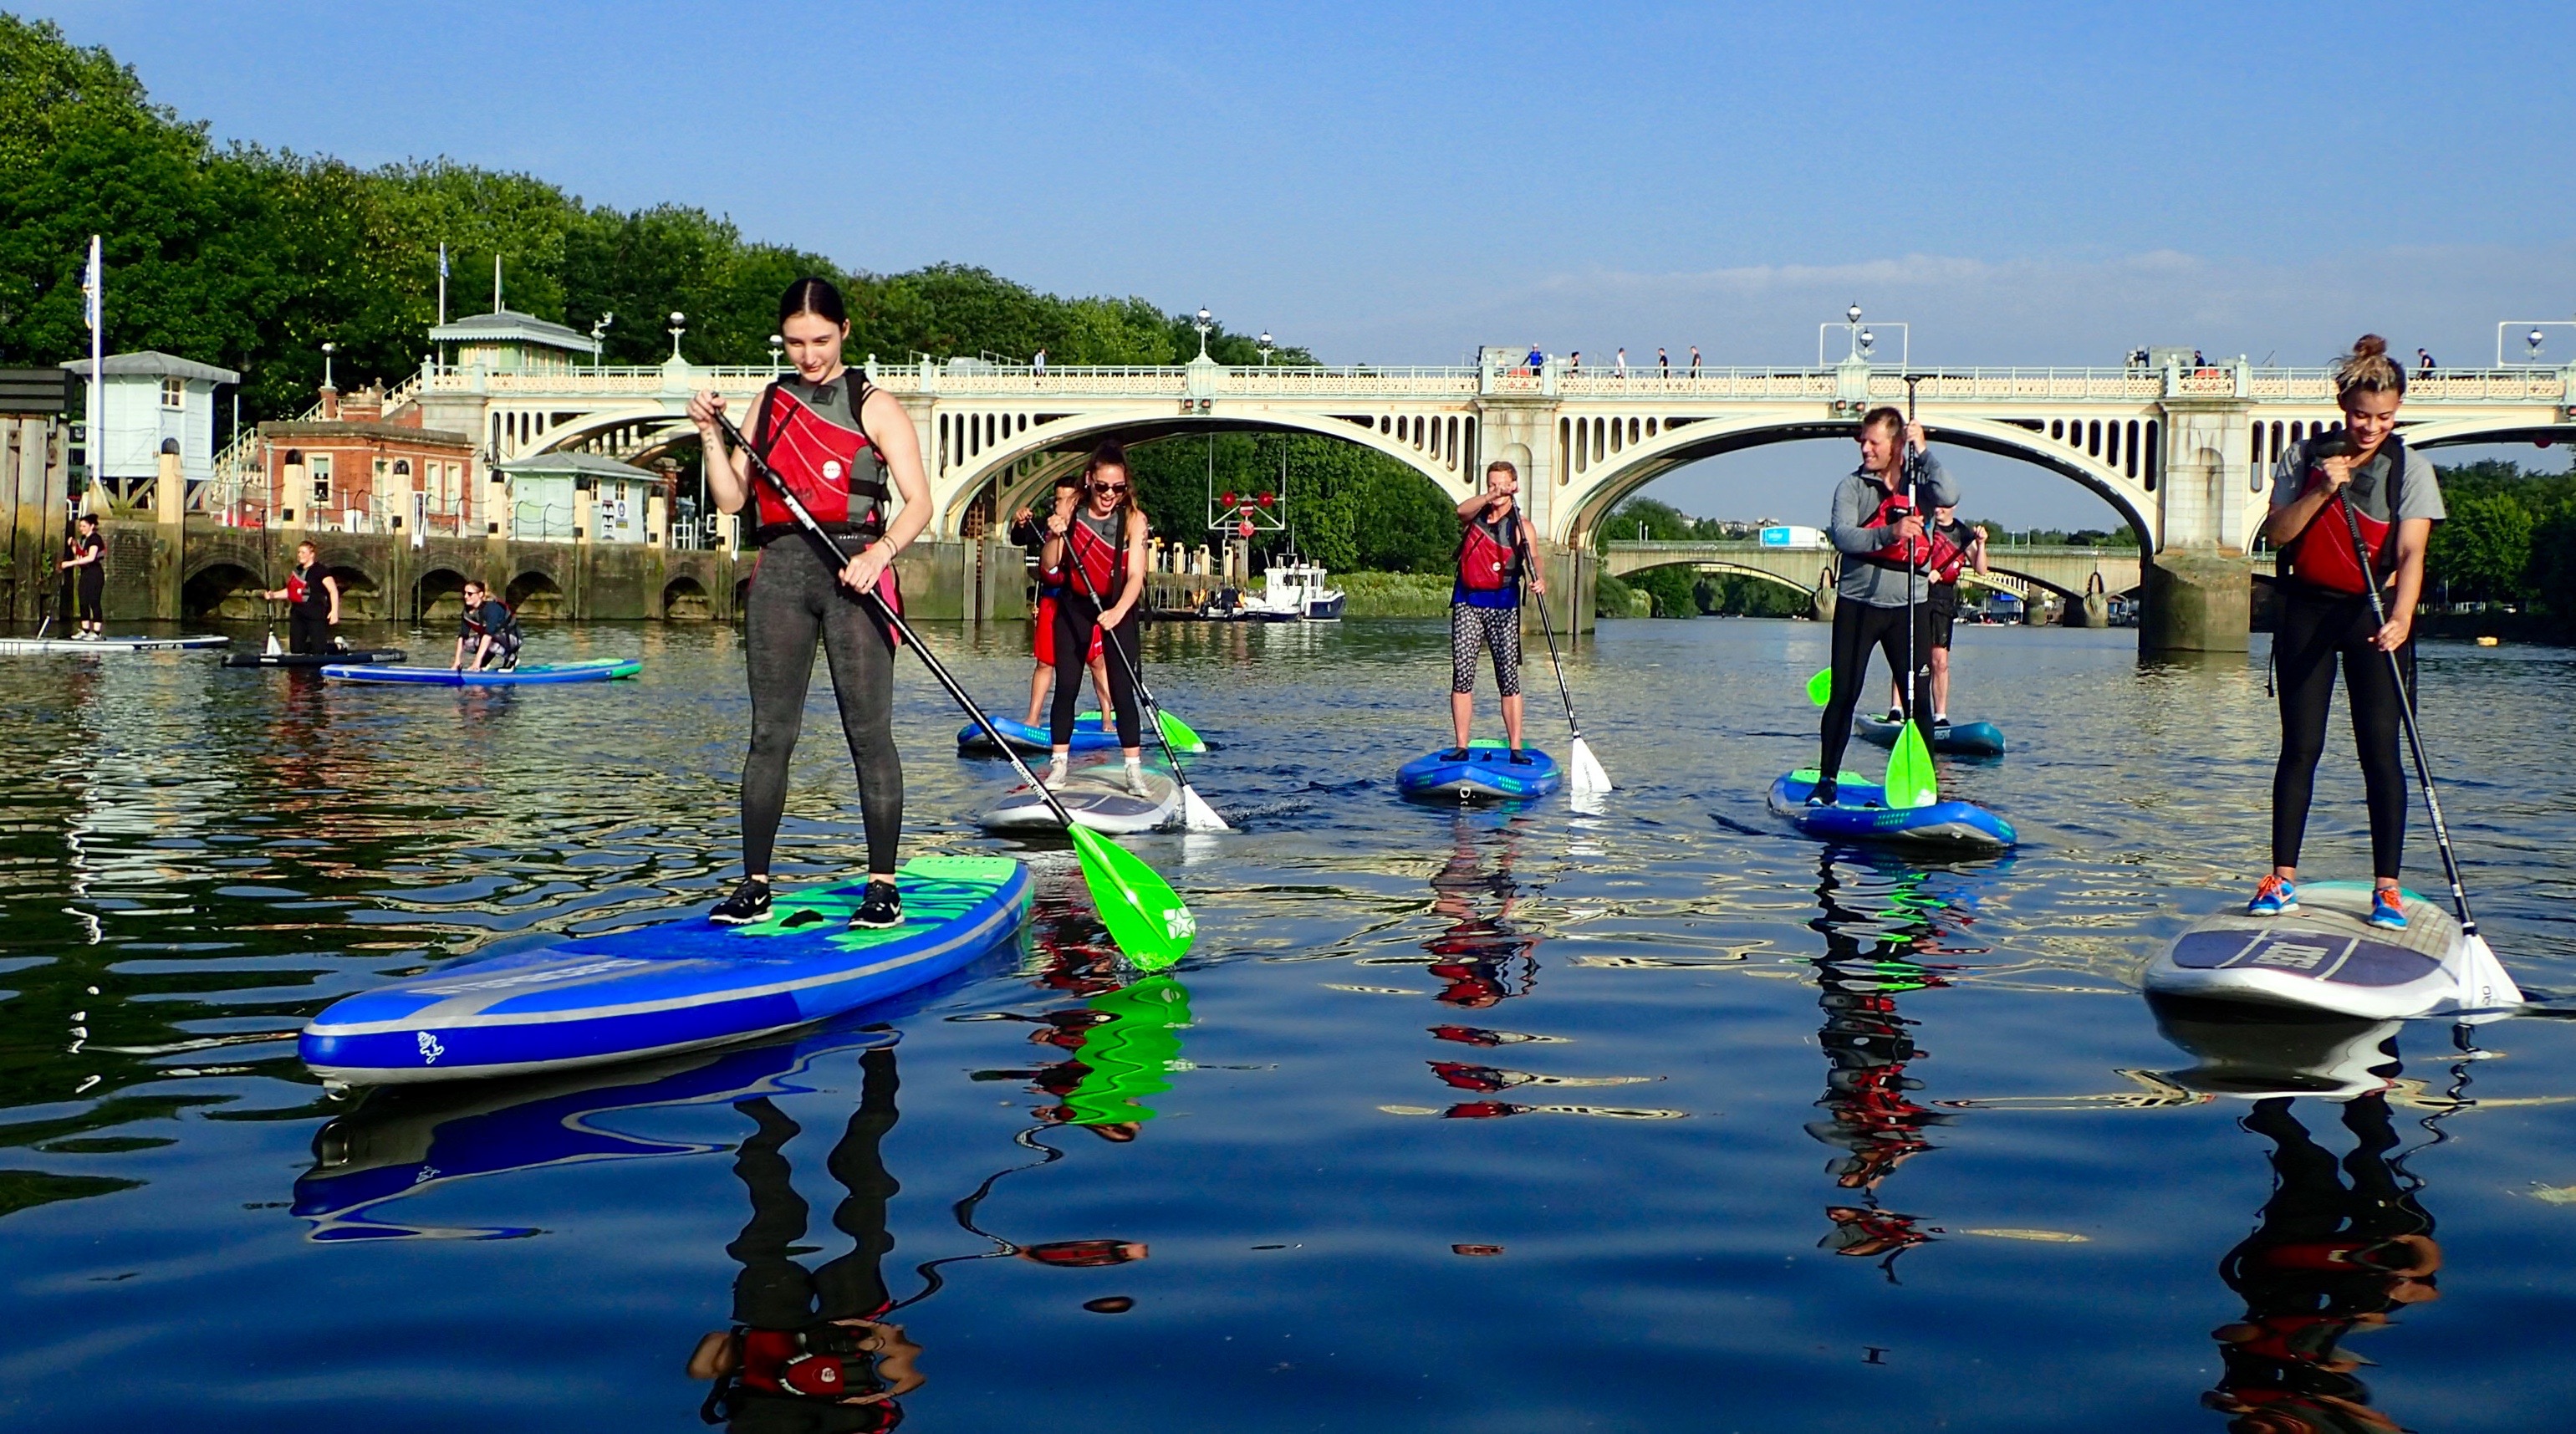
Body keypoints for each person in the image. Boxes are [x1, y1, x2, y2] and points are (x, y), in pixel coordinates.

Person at [688, 276, 931, 931]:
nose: (809, 354)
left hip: (855, 571)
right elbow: (733, 501)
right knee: (770, 734)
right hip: (781, 574)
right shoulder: (766, 404)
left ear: (844, 332)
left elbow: (919, 504)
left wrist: (878, 554)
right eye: (795, 342)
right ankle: (755, 883)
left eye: (820, 340)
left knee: (867, 734)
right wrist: (709, 434)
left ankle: (882, 885)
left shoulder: (875, 406)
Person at [2250, 335, 2442, 930]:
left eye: (2383, 417)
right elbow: (2277, 534)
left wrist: (2401, 617)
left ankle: (2386, 888)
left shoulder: (2409, 467)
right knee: (2299, 748)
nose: (2369, 427)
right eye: (2361, 415)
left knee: (2379, 753)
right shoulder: (2303, 458)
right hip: (2306, 610)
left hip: (2373, 616)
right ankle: (2281, 879)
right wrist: (2320, 489)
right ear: (2342, 404)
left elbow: (2411, 553)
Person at [1812, 407, 1952, 806]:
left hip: (1910, 607)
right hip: (1860, 604)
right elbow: (1842, 535)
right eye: (1863, 441)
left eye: (1874, 442)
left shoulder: (1917, 484)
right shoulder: (1852, 487)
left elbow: (1950, 493)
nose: (1865, 448)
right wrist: (1890, 533)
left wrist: (1923, 450)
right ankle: (1828, 781)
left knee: (1917, 702)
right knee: (1845, 692)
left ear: (1895, 445)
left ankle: (1925, 789)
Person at [1041, 442, 1152, 793]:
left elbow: (1136, 576)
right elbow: (1050, 565)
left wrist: (1118, 613)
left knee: (1122, 691)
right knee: (1067, 686)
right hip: (1076, 604)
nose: (1109, 495)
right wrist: (1055, 534)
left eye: (1117, 488)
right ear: (1090, 480)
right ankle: (1059, 766)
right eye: (1103, 487)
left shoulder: (1134, 519)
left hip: (1118, 606)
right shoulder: (1071, 507)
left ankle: (1133, 771)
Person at [1446, 459, 1543, 761]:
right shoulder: (1475, 515)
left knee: (1508, 679)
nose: (1496, 490)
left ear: (1514, 487)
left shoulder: (1521, 526)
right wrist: (1489, 497)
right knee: (1462, 675)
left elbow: (1534, 557)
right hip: (1467, 603)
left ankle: (1516, 748)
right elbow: (1460, 511)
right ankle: (1461, 746)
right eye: (1491, 484)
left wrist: (1539, 578)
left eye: (1502, 485)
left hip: (1503, 605)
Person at [1007, 477, 1114, 729]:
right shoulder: (1049, 528)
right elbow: (1020, 539)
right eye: (1057, 499)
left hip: (1083, 605)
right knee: (1045, 662)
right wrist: (1019, 523)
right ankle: (1033, 717)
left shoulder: (1089, 525)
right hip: (1052, 601)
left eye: (1067, 499)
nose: (1060, 504)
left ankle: (1107, 717)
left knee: (1097, 661)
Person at [1885, 506, 1987, 726]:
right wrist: (1924, 571)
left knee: (1939, 661)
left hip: (1943, 598)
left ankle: (1940, 715)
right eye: (1937, 504)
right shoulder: (1925, 526)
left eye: (1944, 505)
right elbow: (1906, 556)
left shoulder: (1962, 533)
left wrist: (1980, 544)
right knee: (1908, 653)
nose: (1939, 508)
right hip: (1918, 591)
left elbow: (1981, 570)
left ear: (1954, 507)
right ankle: (1896, 708)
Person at [261, 539, 340, 655]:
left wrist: (334, 612)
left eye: (303, 552)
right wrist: (273, 595)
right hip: (298, 614)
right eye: (298, 552)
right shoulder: (298, 571)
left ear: (312, 554)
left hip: (315, 614)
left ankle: (336, 647)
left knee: (319, 650)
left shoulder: (320, 571)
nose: (300, 555)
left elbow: (333, 590)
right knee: (296, 649)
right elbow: (291, 592)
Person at [449, 578, 522, 671]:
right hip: (493, 638)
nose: (466, 596)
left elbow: (488, 636)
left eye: (470, 594)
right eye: (464, 593)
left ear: (480, 594)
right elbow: (462, 637)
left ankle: (511, 658)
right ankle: (485, 661)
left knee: (490, 639)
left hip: (512, 638)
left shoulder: (492, 608)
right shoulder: (466, 612)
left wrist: (476, 662)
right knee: (468, 644)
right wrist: (457, 661)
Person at [57, 513, 105, 640]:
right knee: (83, 601)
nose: (81, 528)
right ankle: (85, 629)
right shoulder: (83, 540)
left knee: (94, 601)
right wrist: (73, 546)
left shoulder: (95, 539)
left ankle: (97, 632)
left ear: (92, 526)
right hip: (85, 573)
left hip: (95, 574)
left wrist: (69, 564)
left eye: (84, 526)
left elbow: (90, 558)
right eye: (81, 526)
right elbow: (80, 556)